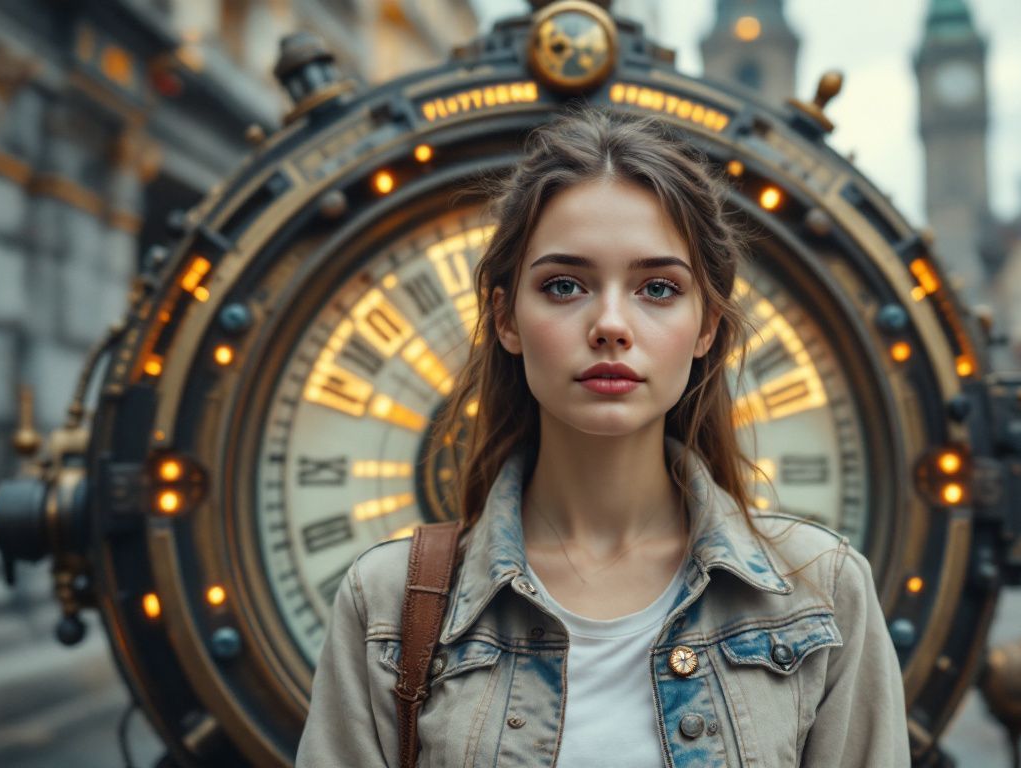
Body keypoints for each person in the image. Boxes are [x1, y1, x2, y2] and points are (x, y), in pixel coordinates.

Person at [296, 108, 909, 767]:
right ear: (505, 318)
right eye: (565, 286)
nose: (611, 325)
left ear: (706, 326)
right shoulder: (388, 604)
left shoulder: (824, 593)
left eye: (657, 288)